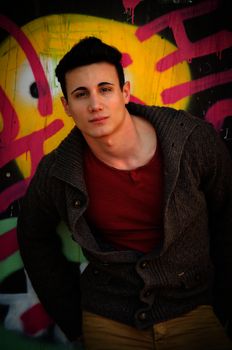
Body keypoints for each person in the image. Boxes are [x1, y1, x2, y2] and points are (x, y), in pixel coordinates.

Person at [17, 36, 232, 350]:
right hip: (109, 318)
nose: (95, 104)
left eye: (105, 89)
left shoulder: (192, 142)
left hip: (194, 309)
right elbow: (32, 234)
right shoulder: (59, 171)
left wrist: (224, 306)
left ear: (125, 92)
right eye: (81, 94)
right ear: (67, 106)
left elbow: (228, 218)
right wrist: (70, 318)